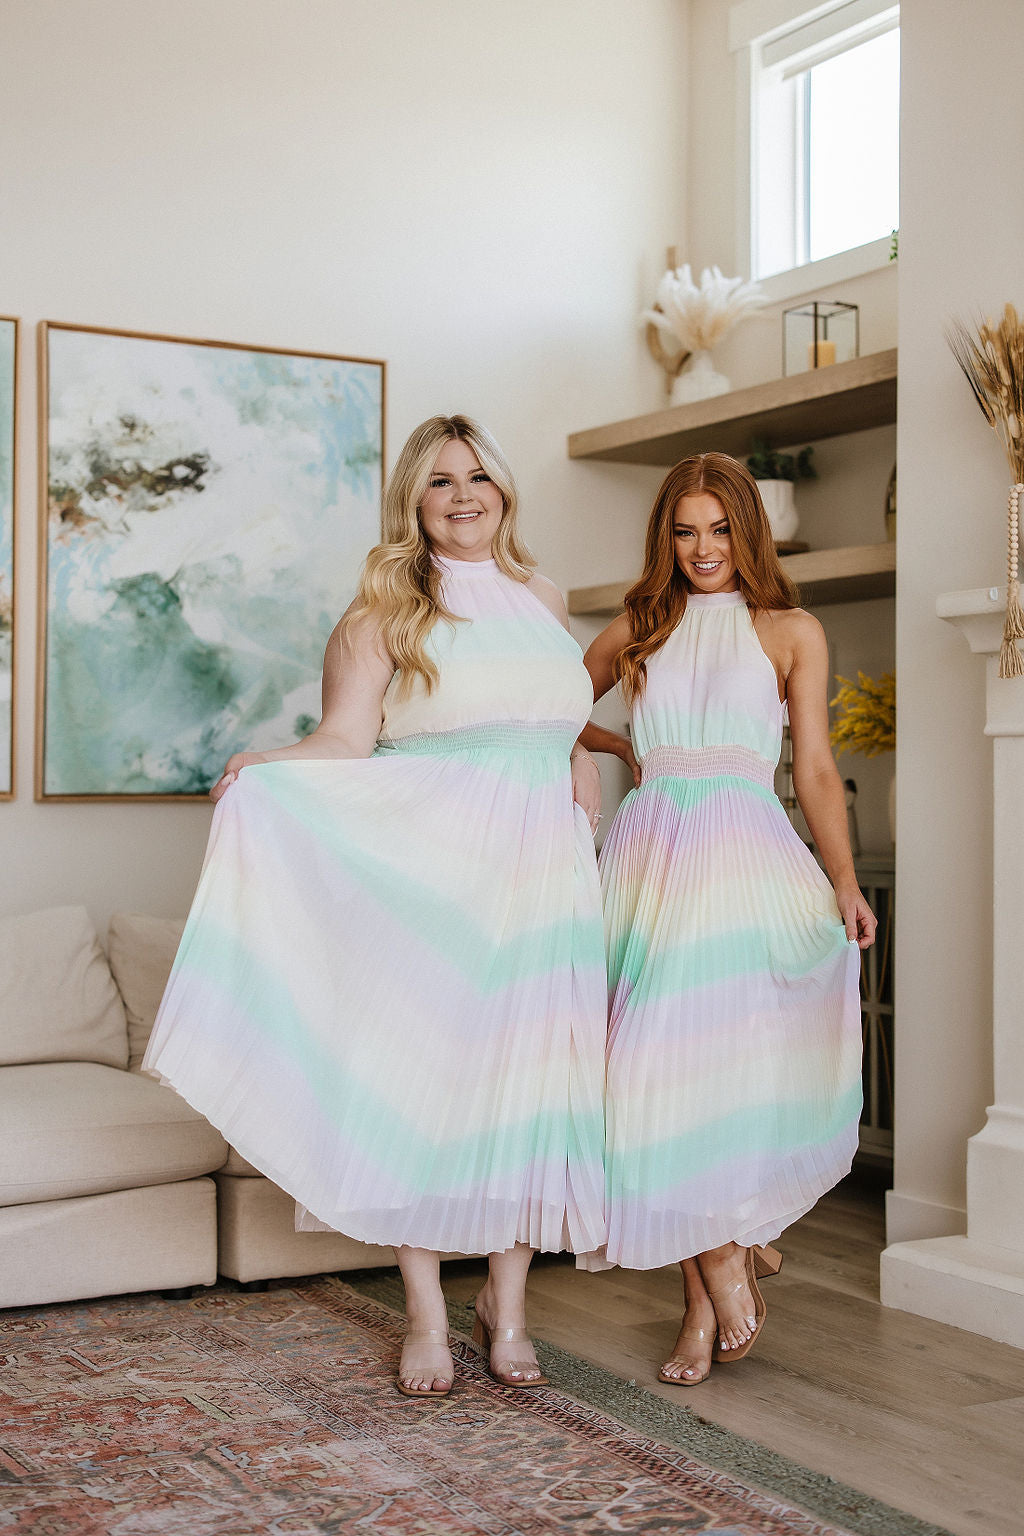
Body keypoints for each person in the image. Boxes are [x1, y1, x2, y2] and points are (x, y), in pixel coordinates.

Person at [143, 415, 607, 1398]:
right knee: (424, 1087)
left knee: (534, 1086)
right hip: (435, 879)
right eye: (439, 481)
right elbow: (346, 742)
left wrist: (578, 770)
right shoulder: (381, 613)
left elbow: (551, 716)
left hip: (544, 876)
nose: (463, 494)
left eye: (478, 476)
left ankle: (507, 1307)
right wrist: (268, 767)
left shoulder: (543, 597)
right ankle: (428, 1313)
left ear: (504, 490)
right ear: (413, 501)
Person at [577, 451, 875, 1386]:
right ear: (664, 538)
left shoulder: (791, 630)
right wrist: (615, 743)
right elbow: (546, 708)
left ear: (749, 532)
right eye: (684, 532)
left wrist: (844, 878)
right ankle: (725, 1258)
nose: (703, 549)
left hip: (743, 861)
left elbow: (813, 767)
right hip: (649, 862)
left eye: (719, 529)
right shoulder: (640, 626)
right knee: (645, 1082)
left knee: (709, 1080)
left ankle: (706, 1298)